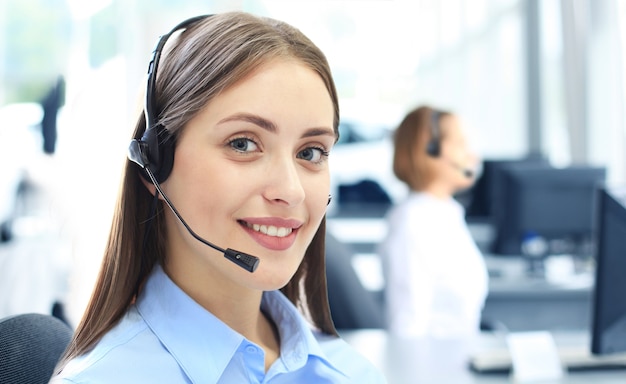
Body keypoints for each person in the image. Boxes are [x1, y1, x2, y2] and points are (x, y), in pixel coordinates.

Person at [51, 12, 385, 383]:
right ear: (154, 165)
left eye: (310, 152)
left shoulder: (353, 373)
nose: (291, 191)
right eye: (243, 144)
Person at [378, 105, 489, 340]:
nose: (473, 156)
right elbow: (406, 328)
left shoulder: (445, 213)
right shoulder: (413, 223)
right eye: (461, 144)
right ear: (430, 149)